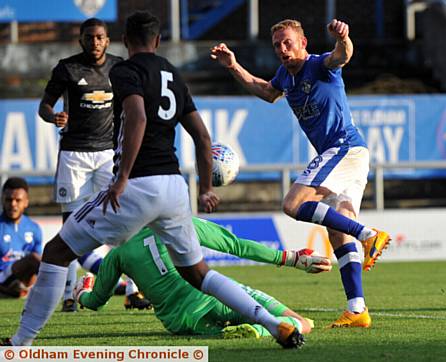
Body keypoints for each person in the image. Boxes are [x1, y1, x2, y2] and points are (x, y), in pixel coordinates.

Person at [2, 11, 303, 349]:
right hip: (174, 188)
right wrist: (205, 189)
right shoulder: (173, 74)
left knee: (56, 250)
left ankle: (20, 343)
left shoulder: (125, 70)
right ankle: (274, 323)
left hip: (138, 185)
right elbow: (203, 137)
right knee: (198, 273)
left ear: (126, 41)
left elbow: (137, 116)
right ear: (158, 41)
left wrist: (122, 178)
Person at [211, 19, 391, 328]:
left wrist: (343, 38)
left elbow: (342, 56)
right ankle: (357, 308)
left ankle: (370, 235)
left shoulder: (320, 65)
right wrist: (233, 65)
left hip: (343, 148)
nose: (282, 49)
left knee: (292, 205)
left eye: (288, 43)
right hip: (351, 155)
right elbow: (266, 91)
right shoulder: (285, 76)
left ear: (303, 42)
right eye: (278, 45)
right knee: (338, 229)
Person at [38, 17, 148, 312]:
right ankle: (68, 296)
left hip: (107, 155)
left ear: (108, 40)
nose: (95, 42)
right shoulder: (67, 68)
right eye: (89, 38)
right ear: (81, 40)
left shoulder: (120, 67)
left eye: (100, 37)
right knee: (70, 225)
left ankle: (134, 291)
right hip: (73, 155)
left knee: (123, 221)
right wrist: (54, 117)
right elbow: (44, 106)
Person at [73, 217, 331, 338]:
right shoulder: (178, 223)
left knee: (216, 331)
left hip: (180, 321)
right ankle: (259, 329)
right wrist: (290, 259)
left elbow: (95, 301)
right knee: (301, 322)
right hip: (215, 298)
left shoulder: (116, 252)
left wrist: (81, 292)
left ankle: (246, 330)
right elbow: (236, 246)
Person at [0, 178, 43, 298]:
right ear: (2, 200)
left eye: (17, 200)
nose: (13, 204)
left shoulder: (34, 228)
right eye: (9, 200)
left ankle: (19, 291)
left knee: (42, 259)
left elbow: (37, 265)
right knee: (32, 259)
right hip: (2, 277)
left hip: (24, 280)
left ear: (26, 202)